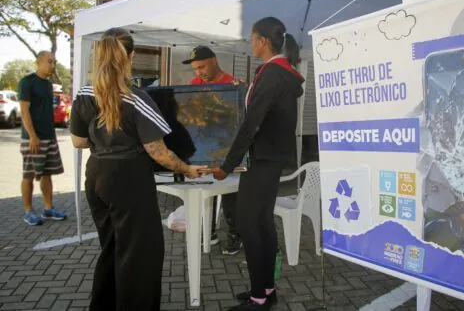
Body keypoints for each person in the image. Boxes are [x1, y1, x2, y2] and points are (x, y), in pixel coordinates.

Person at [69, 27, 205, 311]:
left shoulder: (83, 93)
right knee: (139, 254)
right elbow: (158, 151)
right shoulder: (136, 98)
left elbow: (79, 141)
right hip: (128, 179)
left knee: (111, 247)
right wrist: (188, 169)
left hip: (96, 176)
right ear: (130, 55)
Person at [211, 17, 304, 310]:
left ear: (263, 41)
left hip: (262, 158)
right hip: (269, 157)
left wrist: (227, 164)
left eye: (252, 38)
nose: (250, 43)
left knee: (250, 224)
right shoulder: (280, 73)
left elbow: (252, 122)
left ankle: (259, 297)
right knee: (261, 223)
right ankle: (266, 288)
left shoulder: (273, 73)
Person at [182, 45, 243, 255]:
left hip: (226, 149)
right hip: (204, 148)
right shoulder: (194, 84)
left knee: (229, 194)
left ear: (214, 61)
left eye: (202, 67)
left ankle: (235, 234)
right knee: (205, 190)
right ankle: (210, 232)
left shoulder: (232, 84)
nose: (199, 73)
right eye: (196, 69)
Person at [18, 51, 67, 226]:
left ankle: (48, 208)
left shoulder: (47, 85)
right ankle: (28, 211)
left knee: (47, 174)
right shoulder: (27, 82)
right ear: (38, 62)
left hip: (49, 137)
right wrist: (32, 136)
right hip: (33, 139)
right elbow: (24, 111)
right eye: (49, 62)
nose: (52, 65)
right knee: (29, 174)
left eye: (54, 62)